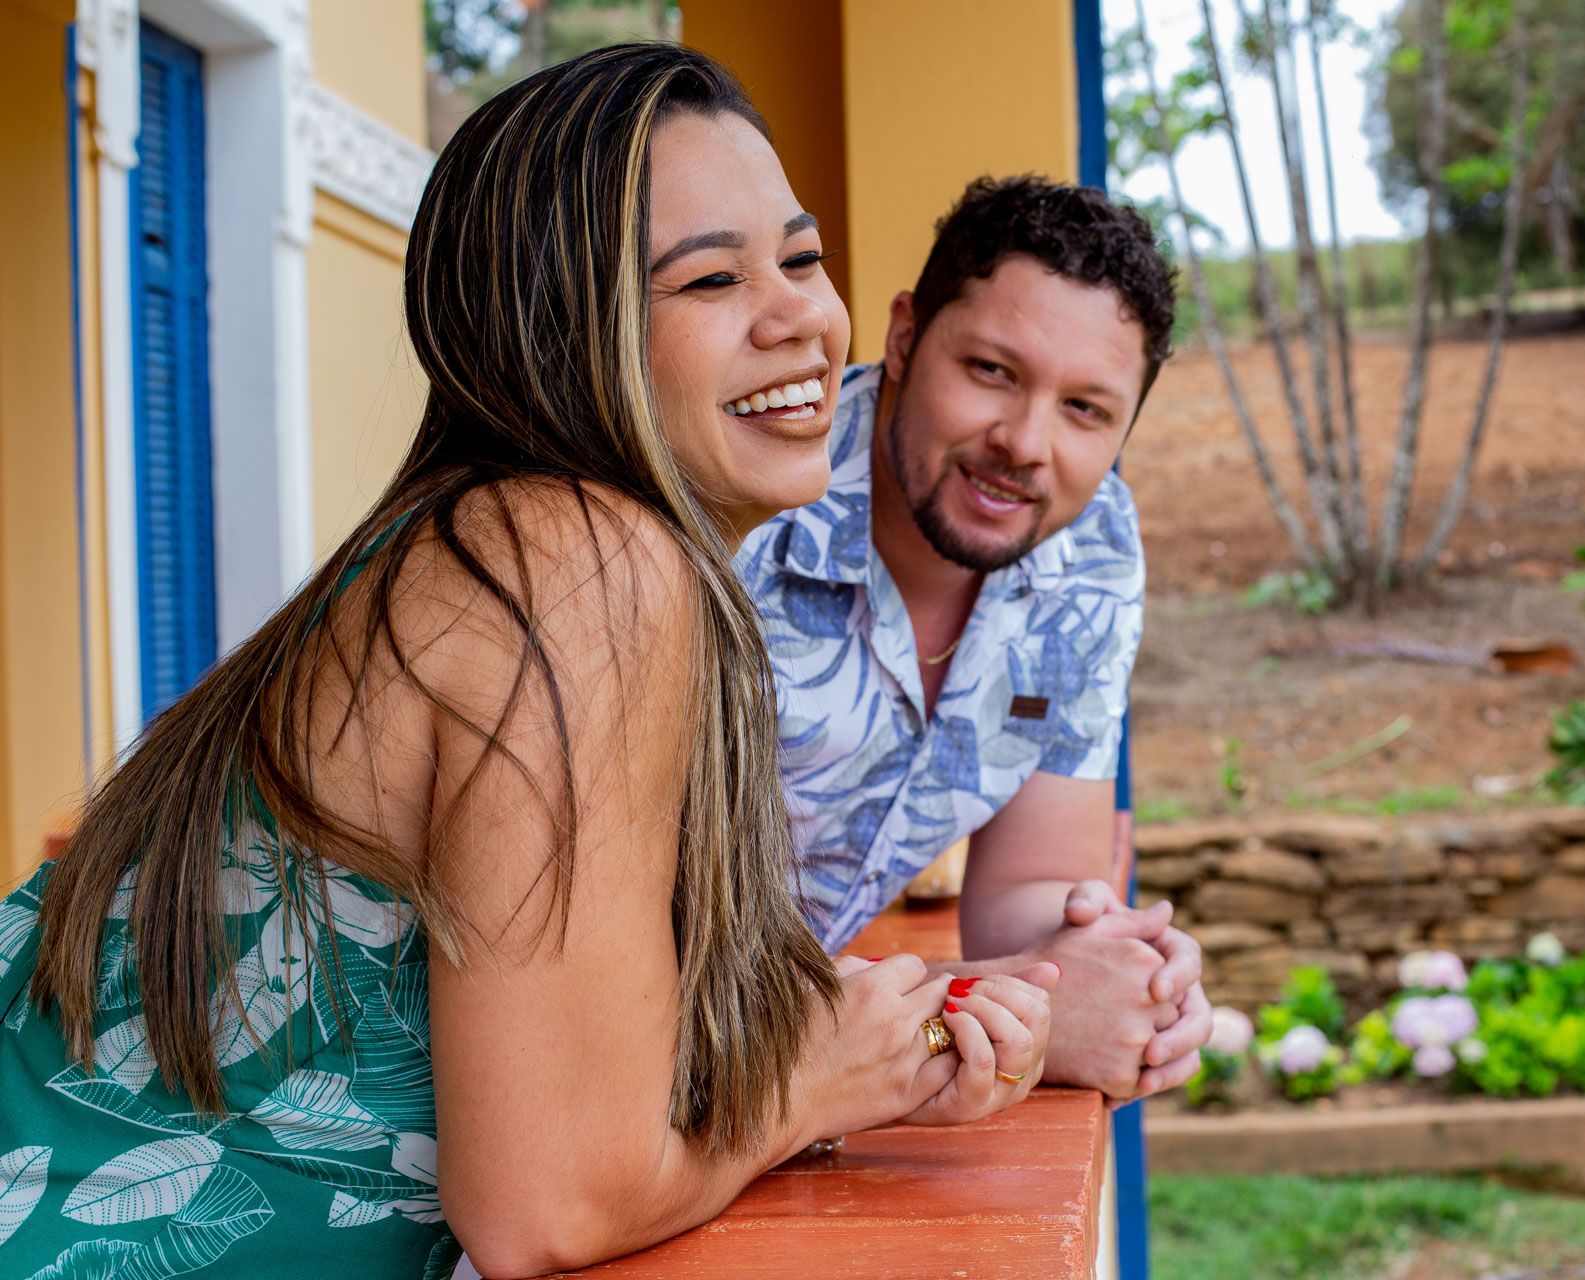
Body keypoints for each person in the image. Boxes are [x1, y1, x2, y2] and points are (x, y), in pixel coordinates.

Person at [0, 45, 1052, 1280]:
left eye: (802, 257)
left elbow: (597, 1051)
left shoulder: (535, 545)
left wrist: (890, 1040)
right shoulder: (575, 561)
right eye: (711, 278)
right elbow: (545, 1203)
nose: (800, 318)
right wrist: (810, 1091)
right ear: (559, 329)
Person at [737, 177, 1209, 1102]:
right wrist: (978, 1010)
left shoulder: (1095, 553)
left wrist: (1118, 980)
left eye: (1086, 410)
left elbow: (1032, 893)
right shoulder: (745, 506)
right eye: (992, 371)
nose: (1025, 443)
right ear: (907, 339)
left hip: (752, 1086)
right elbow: (628, 953)